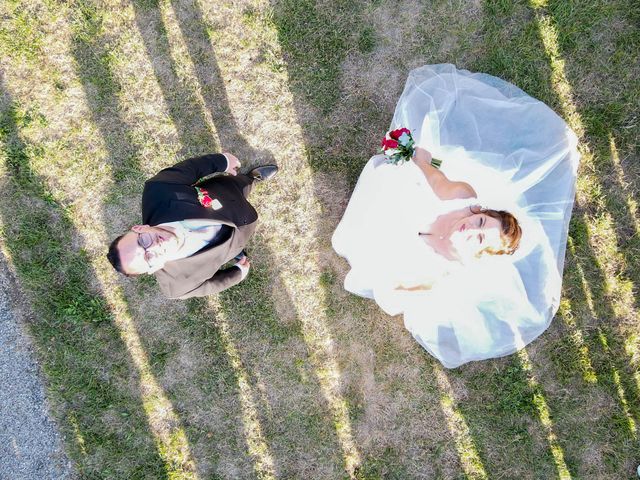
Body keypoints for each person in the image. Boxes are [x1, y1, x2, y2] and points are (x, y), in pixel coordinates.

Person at [332, 64, 579, 368]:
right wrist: (408, 154)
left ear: (478, 252)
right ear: (478, 211)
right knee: (387, 179)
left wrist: (394, 283)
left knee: (373, 257)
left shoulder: (452, 267)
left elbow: (409, 291)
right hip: (403, 202)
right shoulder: (461, 195)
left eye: (477, 238)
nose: (468, 231)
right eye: (479, 223)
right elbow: (429, 173)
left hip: (400, 253)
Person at [107, 152, 278, 299]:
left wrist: (223, 161)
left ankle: (250, 178)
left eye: (143, 241)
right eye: (149, 258)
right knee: (234, 249)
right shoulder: (176, 287)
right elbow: (208, 286)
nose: (155, 247)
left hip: (228, 193)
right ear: (153, 269)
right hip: (236, 240)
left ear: (140, 229)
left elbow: (191, 169)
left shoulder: (158, 190)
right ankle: (235, 250)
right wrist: (237, 274)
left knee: (241, 184)